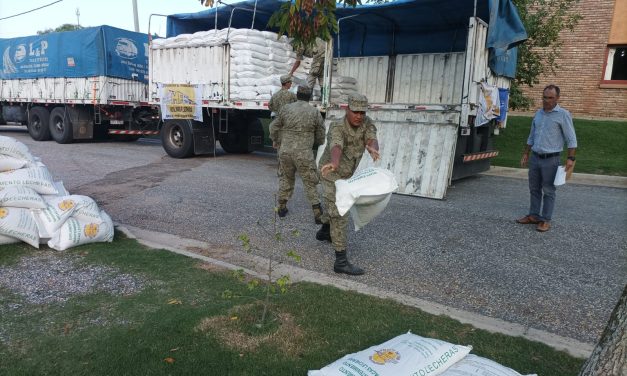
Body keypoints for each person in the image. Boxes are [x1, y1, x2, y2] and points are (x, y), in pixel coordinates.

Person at [317, 93, 380, 276]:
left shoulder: (366, 123)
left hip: (346, 176)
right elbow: (336, 145)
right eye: (355, 112)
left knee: (333, 209)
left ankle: (325, 230)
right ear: (347, 110)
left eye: (362, 112)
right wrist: (335, 163)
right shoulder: (337, 126)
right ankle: (341, 262)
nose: (359, 116)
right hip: (329, 173)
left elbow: (371, 137)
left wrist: (373, 147)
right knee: (340, 212)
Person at [516, 84, 577, 232]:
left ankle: (545, 220)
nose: (547, 100)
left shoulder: (563, 115)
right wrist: (526, 153)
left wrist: (570, 159)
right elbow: (531, 136)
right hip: (535, 157)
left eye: (550, 98)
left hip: (551, 159)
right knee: (534, 189)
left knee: (548, 190)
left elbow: (571, 139)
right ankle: (533, 216)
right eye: (544, 97)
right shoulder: (538, 114)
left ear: (557, 98)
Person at [269, 85, 326, 223]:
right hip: (304, 153)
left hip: (285, 151)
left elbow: (273, 127)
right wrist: (317, 143)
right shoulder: (314, 112)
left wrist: (276, 140)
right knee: (310, 181)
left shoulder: (286, 109)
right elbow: (321, 133)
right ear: (310, 96)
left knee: (286, 178)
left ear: (297, 95)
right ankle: (317, 213)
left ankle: (281, 207)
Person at [268, 74, 297, 149]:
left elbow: (270, 106)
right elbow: (297, 105)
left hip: (278, 120)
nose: (291, 84)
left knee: (279, 145)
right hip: (288, 121)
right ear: (287, 83)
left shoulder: (275, 95)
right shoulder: (291, 95)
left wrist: (277, 110)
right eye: (290, 82)